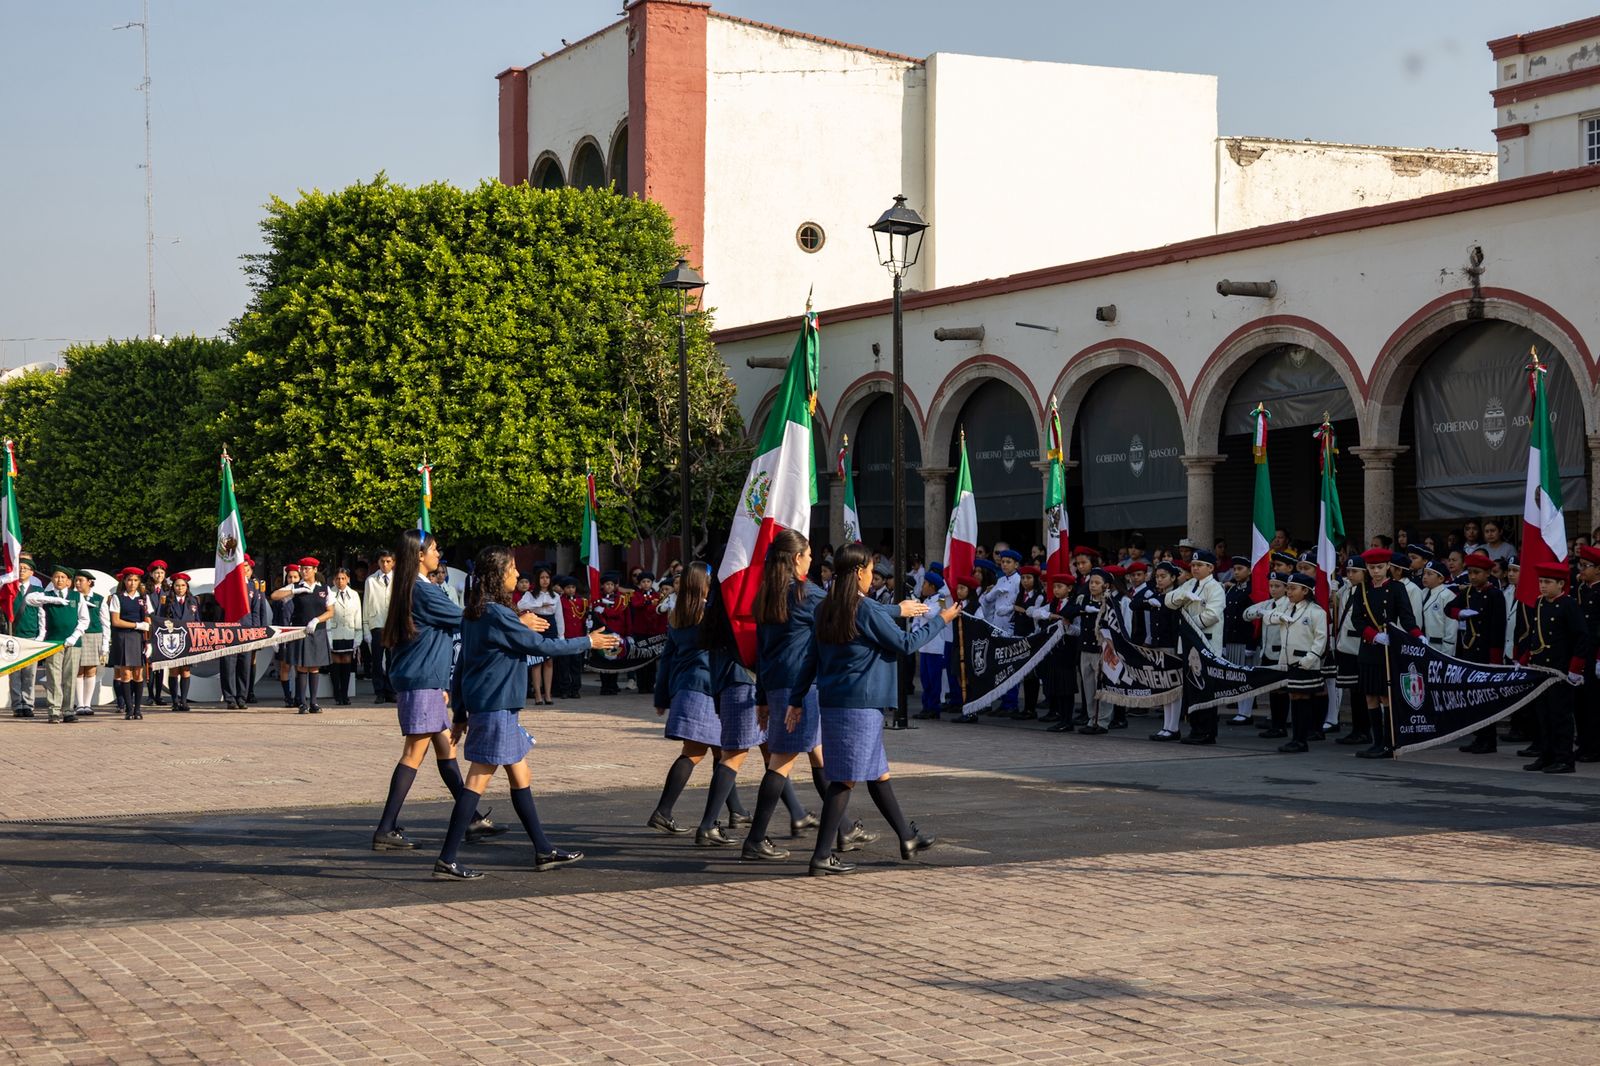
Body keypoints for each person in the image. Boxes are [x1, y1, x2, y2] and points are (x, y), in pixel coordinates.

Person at [431, 545, 619, 880]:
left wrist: (460, 714)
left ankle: (543, 850)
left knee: (521, 775)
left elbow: (463, 667)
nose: (518, 575)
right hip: (497, 706)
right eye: (513, 569)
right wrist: (587, 643)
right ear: (498, 574)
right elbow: (542, 647)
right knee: (476, 780)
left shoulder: (478, 612)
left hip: (492, 706)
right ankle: (447, 857)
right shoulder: (496, 614)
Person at [806, 543, 959, 876]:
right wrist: (942, 620)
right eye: (871, 571)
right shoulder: (864, 609)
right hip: (860, 705)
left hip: (836, 702)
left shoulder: (826, 606)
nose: (872, 577)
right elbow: (904, 644)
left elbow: (863, 617)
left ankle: (906, 837)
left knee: (878, 773)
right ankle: (820, 855)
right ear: (860, 572)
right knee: (844, 781)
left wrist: (900, 610)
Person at [739, 530, 871, 862]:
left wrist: (761, 696)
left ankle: (842, 827)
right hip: (800, 686)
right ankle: (755, 839)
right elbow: (847, 609)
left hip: (778, 684)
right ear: (797, 558)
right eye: (809, 554)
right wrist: (897, 612)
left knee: (818, 756)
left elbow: (763, 653)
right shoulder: (804, 593)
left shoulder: (768, 593)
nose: (812, 560)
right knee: (781, 762)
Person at [373, 531, 503, 850]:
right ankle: (385, 828)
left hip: (425, 680)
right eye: (434, 549)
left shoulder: (415, 587)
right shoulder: (423, 591)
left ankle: (469, 817)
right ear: (419, 555)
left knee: (446, 748)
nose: (438, 554)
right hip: (421, 681)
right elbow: (466, 619)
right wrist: (509, 618)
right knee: (413, 754)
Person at [647, 563, 741, 835]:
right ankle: (663, 811)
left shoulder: (677, 614)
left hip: (683, 688)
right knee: (695, 752)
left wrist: (661, 696)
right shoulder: (707, 614)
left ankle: (736, 810)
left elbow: (666, 659)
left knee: (719, 751)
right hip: (705, 688)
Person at [1342, 548, 1419, 759]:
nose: (1375, 571)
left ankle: (1388, 742)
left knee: (1385, 696)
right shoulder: (1362, 590)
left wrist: (1417, 635)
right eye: (1371, 567)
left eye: (1379, 567)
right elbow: (1357, 619)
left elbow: (1407, 616)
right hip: (1370, 647)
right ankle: (1376, 742)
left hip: (1388, 648)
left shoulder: (1396, 588)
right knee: (1370, 696)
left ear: (1388, 567)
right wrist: (1373, 635)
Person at [1515, 563, 1588, 774]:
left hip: (1559, 670)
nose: (1543, 586)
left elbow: (1581, 637)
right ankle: (1546, 755)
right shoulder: (1539, 603)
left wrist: (1575, 669)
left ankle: (1564, 759)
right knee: (1543, 715)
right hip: (1540, 668)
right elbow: (1535, 635)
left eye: (1547, 582)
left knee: (1560, 716)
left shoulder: (1568, 604)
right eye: (1540, 582)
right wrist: (1525, 658)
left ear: (1561, 584)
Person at [1165, 549, 1226, 744]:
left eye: (1199, 565)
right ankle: (1195, 728)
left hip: (1206, 644)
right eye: (1193, 565)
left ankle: (1207, 732)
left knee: (1205, 689)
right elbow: (1169, 600)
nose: (1195, 568)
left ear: (1210, 568)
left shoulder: (1215, 587)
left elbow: (1212, 615)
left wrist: (1190, 625)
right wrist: (1183, 597)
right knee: (1192, 688)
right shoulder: (1190, 584)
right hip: (1189, 646)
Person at [1455, 552, 1508, 755]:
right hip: (1470, 649)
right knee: (1473, 696)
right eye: (1470, 572)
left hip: (1486, 651)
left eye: (1477, 572)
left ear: (1487, 573)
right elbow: (1449, 608)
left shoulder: (1495, 595)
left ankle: (1489, 739)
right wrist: (1459, 613)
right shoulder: (1468, 593)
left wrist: (1495, 659)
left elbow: (1498, 627)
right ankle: (1478, 736)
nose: (1473, 576)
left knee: (1486, 697)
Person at [1271, 572, 1330, 753]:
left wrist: (1308, 660)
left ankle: (1301, 739)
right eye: (1287, 588)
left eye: (1293, 588)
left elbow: (1320, 640)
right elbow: (1268, 617)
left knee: (1302, 698)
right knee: (1294, 698)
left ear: (1305, 590)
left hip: (1305, 662)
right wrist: (1277, 617)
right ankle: (1296, 738)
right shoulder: (1286, 609)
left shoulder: (1316, 612)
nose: (1289, 592)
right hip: (1288, 661)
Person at [272, 557, 334, 714]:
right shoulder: (296, 587)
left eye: (307, 569)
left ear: (315, 570)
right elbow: (274, 596)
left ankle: (314, 702)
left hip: (317, 630)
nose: (304, 571)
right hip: (300, 631)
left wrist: (316, 620)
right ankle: (302, 702)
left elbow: (331, 611)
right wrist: (293, 590)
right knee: (301, 666)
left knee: (314, 667)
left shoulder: (324, 589)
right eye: (302, 569)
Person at [1139, 561, 1186, 740]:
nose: (1159, 580)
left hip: (1171, 645)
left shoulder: (1177, 596)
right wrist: (1151, 587)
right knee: (1164, 687)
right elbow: (1135, 604)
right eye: (1157, 576)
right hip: (1158, 645)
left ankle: (1173, 727)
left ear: (1173, 578)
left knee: (1173, 687)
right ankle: (1166, 726)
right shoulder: (1156, 594)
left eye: (1163, 576)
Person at [37, 564, 87, 724]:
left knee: (70, 677)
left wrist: (74, 636)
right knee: (53, 677)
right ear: (52, 579)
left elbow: (84, 619)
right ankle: (54, 711)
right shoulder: (46, 595)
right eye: (56, 577)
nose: (59, 580)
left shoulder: (76, 596)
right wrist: (51, 598)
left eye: (63, 577)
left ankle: (68, 710)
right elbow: (33, 603)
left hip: (73, 643)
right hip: (53, 641)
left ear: (68, 582)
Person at [1030, 573, 1078, 733]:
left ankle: (1067, 720)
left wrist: (1066, 627)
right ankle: (1059, 715)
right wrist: (1050, 615)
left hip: (1067, 651)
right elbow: (1033, 612)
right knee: (1056, 685)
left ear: (1069, 588)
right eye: (1054, 587)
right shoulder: (1053, 604)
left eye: (1060, 587)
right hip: (1053, 651)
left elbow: (1078, 630)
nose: (1056, 590)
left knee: (1066, 687)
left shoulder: (1074, 605)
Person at [108, 566, 151, 720]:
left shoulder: (144, 598)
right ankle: (129, 708)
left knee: (138, 674)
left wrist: (149, 641)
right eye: (129, 580)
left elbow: (148, 619)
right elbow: (116, 621)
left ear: (139, 582)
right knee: (125, 674)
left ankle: (138, 709)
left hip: (139, 638)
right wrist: (136, 625)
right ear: (124, 581)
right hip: (123, 636)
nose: (132, 583)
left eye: (135, 580)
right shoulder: (117, 598)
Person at [518, 567, 561, 706]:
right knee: (536, 661)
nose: (545, 580)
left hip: (550, 625)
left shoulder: (555, 595)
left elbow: (559, 617)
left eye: (547, 578)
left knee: (549, 661)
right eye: (542, 578)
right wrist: (539, 604)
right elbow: (520, 605)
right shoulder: (530, 594)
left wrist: (561, 635)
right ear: (537, 579)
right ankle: (537, 694)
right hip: (536, 623)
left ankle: (547, 694)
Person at [69, 570, 109, 718]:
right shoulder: (72, 597)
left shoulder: (99, 599)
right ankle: (79, 704)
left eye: (81, 580)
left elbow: (105, 623)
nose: (77, 583)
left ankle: (88, 704)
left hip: (94, 635)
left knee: (91, 670)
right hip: (77, 635)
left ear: (90, 582)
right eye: (76, 580)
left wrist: (105, 644)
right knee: (78, 670)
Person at [159, 572, 201, 711]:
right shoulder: (166, 600)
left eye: (183, 585)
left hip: (188, 639)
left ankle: (184, 701)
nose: (180, 588)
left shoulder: (193, 600)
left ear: (187, 587)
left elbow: (197, 620)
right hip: (174, 639)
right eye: (177, 585)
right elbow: (160, 618)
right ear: (173, 586)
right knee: (174, 670)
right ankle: (174, 701)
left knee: (186, 670)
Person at [1574, 545, 1600, 763]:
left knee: (1594, 703)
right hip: (1582, 652)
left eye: (1586, 566)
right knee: (1581, 703)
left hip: (1596, 653)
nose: (1581, 569)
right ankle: (1584, 744)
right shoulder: (1582, 589)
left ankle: (1594, 747)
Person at [8, 554, 41, 718]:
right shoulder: (9, 589)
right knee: (14, 673)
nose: (21, 571)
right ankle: (17, 705)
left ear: (32, 573)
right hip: (12, 636)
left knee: (30, 673)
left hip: (31, 637)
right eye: (19, 568)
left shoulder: (38, 591)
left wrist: (41, 635)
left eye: (25, 569)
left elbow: (42, 615)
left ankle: (28, 704)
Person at [915, 572, 950, 720]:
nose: (922, 587)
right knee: (925, 678)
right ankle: (926, 706)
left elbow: (933, 614)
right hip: (925, 646)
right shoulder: (927, 600)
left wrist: (919, 607)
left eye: (925, 584)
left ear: (932, 586)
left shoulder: (941, 598)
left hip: (936, 645)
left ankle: (934, 707)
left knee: (934, 679)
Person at [327, 567, 363, 705]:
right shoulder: (330, 593)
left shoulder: (354, 594)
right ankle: (337, 693)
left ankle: (345, 694)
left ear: (348, 579)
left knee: (347, 663)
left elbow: (357, 615)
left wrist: (358, 636)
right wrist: (328, 636)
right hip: (334, 633)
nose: (340, 581)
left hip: (349, 632)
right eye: (338, 578)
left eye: (343, 578)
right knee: (336, 663)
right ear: (333, 580)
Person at [364, 550, 397, 702]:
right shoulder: (371, 580)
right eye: (382, 561)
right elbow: (366, 605)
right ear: (378, 562)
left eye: (388, 561)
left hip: (393, 625)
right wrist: (366, 629)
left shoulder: (398, 579)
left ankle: (391, 690)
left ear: (393, 563)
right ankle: (379, 692)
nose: (385, 564)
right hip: (376, 624)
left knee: (392, 659)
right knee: (376, 660)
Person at [628, 571, 666, 696]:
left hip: (653, 631)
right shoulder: (636, 595)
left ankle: (650, 684)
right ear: (640, 584)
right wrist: (648, 602)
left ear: (651, 583)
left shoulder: (657, 595)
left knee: (651, 659)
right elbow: (635, 604)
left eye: (648, 581)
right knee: (641, 658)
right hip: (640, 631)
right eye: (643, 582)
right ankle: (641, 685)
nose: (646, 584)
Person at [593, 572, 629, 696]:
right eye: (606, 584)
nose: (609, 587)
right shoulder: (597, 598)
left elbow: (620, 614)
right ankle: (605, 685)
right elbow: (596, 614)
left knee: (615, 659)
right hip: (603, 633)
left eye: (611, 584)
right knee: (603, 659)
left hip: (617, 633)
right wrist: (600, 607)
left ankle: (613, 685)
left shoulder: (621, 599)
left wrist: (605, 610)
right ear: (602, 586)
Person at [556, 575, 588, 698]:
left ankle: (575, 689)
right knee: (564, 665)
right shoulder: (560, 600)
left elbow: (583, 616)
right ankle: (564, 689)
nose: (571, 590)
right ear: (563, 589)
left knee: (576, 665)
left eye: (573, 587)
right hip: (566, 636)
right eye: (568, 587)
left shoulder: (581, 601)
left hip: (577, 637)